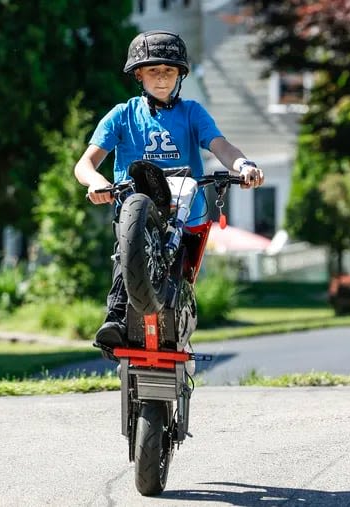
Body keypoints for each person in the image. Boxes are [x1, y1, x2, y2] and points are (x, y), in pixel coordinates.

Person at [73, 30, 265, 351]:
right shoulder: (122, 116)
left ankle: (174, 319)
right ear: (139, 75)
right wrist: (96, 182)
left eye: (169, 71)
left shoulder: (192, 113)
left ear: (180, 75)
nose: (161, 79)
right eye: (153, 71)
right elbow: (84, 165)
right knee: (127, 256)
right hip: (138, 218)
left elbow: (221, 146)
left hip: (185, 216)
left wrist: (243, 165)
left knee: (176, 282)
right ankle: (117, 318)